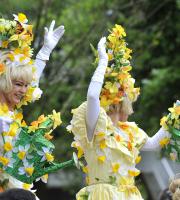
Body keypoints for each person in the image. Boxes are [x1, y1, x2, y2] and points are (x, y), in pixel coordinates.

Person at [68, 25, 175, 200]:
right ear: (121, 100)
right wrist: (103, 62)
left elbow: (155, 143)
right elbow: (93, 97)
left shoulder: (129, 131)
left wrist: (175, 115)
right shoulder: (96, 123)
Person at [0, 13, 64, 193]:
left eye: (25, 86)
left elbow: (32, 83)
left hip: (16, 186)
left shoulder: (12, 111)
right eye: (18, 84)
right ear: (4, 81)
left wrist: (45, 52)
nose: (23, 90)